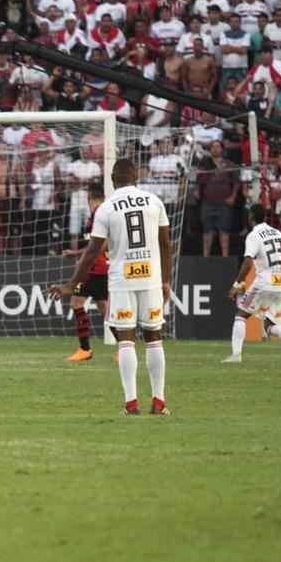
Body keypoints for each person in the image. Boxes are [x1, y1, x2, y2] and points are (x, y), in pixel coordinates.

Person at [50, 159, 171, 416]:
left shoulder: (106, 208)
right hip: (150, 278)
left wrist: (72, 285)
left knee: (125, 339)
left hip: (122, 280)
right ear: (135, 176)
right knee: (153, 337)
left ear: (113, 180)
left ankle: (131, 404)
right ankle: (159, 403)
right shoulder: (154, 201)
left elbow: (93, 251)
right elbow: (166, 244)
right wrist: (167, 280)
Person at [223, 203, 281, 363]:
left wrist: (237, 284)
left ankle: (236, 356)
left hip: (264, 282)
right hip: (280, 282)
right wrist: (278, 268)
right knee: (269, 325)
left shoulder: (254, 235)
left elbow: (247, 262)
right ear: (265, 217)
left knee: (241, 315)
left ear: (251, 216)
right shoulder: (276, 232)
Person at [61, 183, 109, 363]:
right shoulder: (99, 214)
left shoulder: (99, 214)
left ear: (90, 197)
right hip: (99, 267)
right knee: (104, 308)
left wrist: (75, 253)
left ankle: (85, 349)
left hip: (95, 269)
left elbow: (103, 244)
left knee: (76, 302)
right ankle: (124, 347)